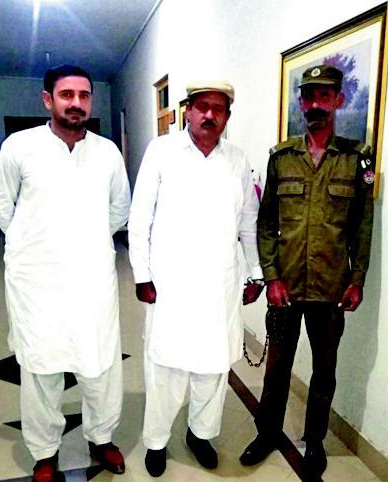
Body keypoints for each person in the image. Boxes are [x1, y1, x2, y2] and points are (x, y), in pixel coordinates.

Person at [0, 65, 131, 481]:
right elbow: (0, 206)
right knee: (41, 369)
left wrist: (85, 242)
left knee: (99, 365)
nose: (76, 103)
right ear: (48, 100)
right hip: (37, 283)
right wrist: (33, 243)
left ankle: (101, 438)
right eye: (67, 95)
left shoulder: (107, 152)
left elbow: (119, 209)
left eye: (84, 95)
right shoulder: (20, 146)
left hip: (92, 280)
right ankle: (44, 452)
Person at [240, 65, 374, 478]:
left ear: (338, 100)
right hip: (285, 287)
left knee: (324, 370)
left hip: (331, 289)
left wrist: (357, 280)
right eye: (309, 96)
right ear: (301, 102)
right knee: (277, 367)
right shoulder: (282, 158)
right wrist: (271, 276)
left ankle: (314, 441)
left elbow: (362, 226)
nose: (316, 104)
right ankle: (267, 433)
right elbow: (266, 223)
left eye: (324, 96)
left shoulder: (355, 159)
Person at [128, 81, 264, 477]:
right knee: (165, 369)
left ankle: (200, 435)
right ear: (187, 110)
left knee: (213, 368)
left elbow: (249, 223)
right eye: (202, 106)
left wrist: (255, 272)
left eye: (218, 109)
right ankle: (156, 441)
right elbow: (140, 217)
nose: (209, 115)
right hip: (170, 284)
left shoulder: (237, 160)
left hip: (219, 284)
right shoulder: (161, 152)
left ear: (227, 116)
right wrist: (141, 274)